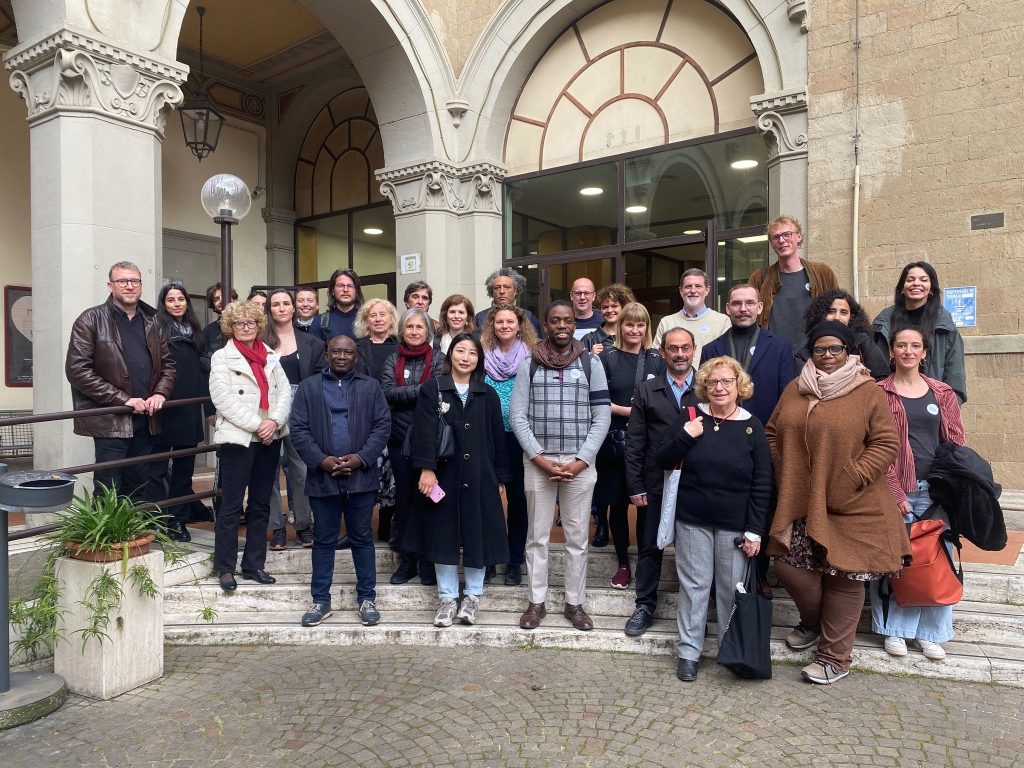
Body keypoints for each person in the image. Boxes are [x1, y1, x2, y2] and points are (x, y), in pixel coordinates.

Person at [766, 320, 909, 685]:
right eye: (820, 349)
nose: (827, 355)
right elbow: (772, 432)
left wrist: (853, 476)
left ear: (849, 352)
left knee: (844, 575)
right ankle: (813, 623)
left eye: (835, 348)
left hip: (853, 501)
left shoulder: (867, 390)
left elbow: (886, 443)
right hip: (802, 500)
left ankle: (834, 657)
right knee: (789, 567)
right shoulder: (796, 388)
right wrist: (785, 470)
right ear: (810, 352)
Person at [655, 355, 772, 681]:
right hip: (692, 519)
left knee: (729, 590)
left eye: (727, 381)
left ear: (739, 386)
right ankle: (688, 653)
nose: (720, 387)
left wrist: (755, 530)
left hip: (735, 525)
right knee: (694, 588)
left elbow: (763, 481)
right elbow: (661, 458)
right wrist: (685, 435)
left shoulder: (752, 425)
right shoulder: (691, 416)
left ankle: (729, 651)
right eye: (713, 382)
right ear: (704, 387)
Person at [511, 301, 611, 631]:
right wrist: (539, 458)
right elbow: (518, 416)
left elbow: (602, 416)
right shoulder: (529, 363)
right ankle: (536, 603)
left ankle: (574, 604)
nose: (562, 325)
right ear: (546, 325)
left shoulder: (590, 362)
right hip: (538, 463)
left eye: (567, 320)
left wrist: (582, 460)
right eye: (555, 320)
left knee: (577, 539)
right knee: (537, 538)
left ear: (574, 325)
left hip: (579, 464)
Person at [870, 327, 967, 661]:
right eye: (901, 345)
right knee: (896, 560)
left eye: (915, 346)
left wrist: (948, 487)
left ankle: (931, 633)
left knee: (937, 559)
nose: (908, 351)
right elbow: (874, 445)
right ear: (892, 351)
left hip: (935, 491)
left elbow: (956, 443)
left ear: (924, 352)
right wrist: (895, 490)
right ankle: (894, 630)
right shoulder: (878, 393)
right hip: (894, 489)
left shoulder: (942, 392)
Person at [404, 333, 511, 627]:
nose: (466, 357)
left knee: (479, 534)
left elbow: (497, 438)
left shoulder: (487, 394)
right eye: (460, 351)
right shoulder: (433, 388)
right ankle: (447, 598)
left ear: (479, 359)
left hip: (480, 474)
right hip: (444, 475)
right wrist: (426, 469)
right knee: (443, 534)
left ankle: (473, 596)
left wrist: (500, 476)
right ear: (450, 354)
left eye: (472, 353)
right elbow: (423, 431)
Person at [290, 335, 391, 628]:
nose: (342, 357)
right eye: (336, 352)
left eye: (348, 352)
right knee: (324, 540)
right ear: (327, 355)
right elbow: (298, 429)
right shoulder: (308, 387)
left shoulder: (370, 387)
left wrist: (361, 458)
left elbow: (382, 426)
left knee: (362, 538)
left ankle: (367, 598)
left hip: (361, 477)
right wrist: (321, 460)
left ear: (356, 357)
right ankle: (320, 600)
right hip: (323, 477)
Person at [66, 261, 175, 499]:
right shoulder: (90, 319)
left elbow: (168, 365)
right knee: (108, 488)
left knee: (138, 486)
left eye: (134, 281)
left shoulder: (153, 321)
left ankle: (134, 525)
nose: (129, 286)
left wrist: (160, 393)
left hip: (146, 418)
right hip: (111, 420)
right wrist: (123, 400)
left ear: (141, 286)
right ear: (110, 286)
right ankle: (108, 527)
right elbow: (77, 371)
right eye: (122, 281)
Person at [208, 300, 292, 592]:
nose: (246, 327)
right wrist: (259, 424)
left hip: (269, 438)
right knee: (231, 505)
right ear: (230, 327)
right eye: (239, 323)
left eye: (251, 322)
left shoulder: (270, 355)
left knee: (260, 504)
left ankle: (254, 564)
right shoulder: (221, 357)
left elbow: (285, 393)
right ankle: (224, 567)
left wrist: (274, 422)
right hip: (239, 439)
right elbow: (223, 399)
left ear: (259, 325)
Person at [623, 327, 700, 637]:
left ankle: (695, 611)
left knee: (694, 550)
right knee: (649, 546)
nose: (679, 354)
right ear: (663, 352)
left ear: (694, 349)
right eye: (673, 348)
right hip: (656, 481)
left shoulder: (708, 388)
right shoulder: (646, 390)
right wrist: (635, 485)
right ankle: (644, 605)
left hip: (697, 484)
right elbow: (635, 442)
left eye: (685, 348)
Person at [593, 302, 665, 589]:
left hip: (648, 445)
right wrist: (630, 411)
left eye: (640, 324)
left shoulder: (656, 359)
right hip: (615, 443)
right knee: (618, 504)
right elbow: (597, 399)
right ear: (620, 326)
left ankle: (645, 562)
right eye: (629, 324)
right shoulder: (607, 358)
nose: (635, 330)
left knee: (646, 505)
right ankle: (623, 563)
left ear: (647, 327)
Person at [380, 308, 447, 585]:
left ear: (428, 332)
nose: (415, 332)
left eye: (420, 327)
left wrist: (409, 394)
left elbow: (439, 390)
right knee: (405, 499)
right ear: (402, 331)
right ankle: (407, 560)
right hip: (399, 439)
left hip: (431, 439)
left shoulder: (440, 358)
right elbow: (387, 393)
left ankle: (428, 560)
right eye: (410, 327)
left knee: (431, 498)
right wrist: (423, 390)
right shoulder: (392, 359)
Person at [262, 288, 327, 550]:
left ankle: (302, 525)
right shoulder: (259, 341)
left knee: (301, 469)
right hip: (267, 408)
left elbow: (321, 379)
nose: (281, 308)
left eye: (286, 303)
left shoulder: (312, 342)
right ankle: (276, 527)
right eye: (275, 304)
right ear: (269, 309)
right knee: (268, 468)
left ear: (293, 308)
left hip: (301, 408)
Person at [481, 304, 539, 586]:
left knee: (518, 501)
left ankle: (515, 560)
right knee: (488, 500)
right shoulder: (481, 354)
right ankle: (490, 558)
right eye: (499, 322)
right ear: (492, 325)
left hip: (520, 437)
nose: (505, 326)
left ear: (519, 325)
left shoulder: (532, 355)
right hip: (488, 437)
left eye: (510, 322)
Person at [148, 282, 208, 542]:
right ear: (163, 304)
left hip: (189, 410)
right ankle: (156, 521)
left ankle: (178, 522)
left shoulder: (196, 331)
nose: (176, 304)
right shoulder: (155, 329)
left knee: (184, 472)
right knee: (155, 471)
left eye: (180, 299)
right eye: (170, 300)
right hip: (164, 408)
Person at [872, 261, 967, 404]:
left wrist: (948, 409)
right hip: (889, 404)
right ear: (902, 287)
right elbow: (873, 367)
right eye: (910, 279)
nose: (916, 283)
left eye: (923, 280)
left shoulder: (945, 326)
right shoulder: (883, 323)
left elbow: (955, 375)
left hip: (933, 405)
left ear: (931, 289)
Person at [701, 284, 794, 426]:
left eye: (750, 303)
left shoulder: (780, 348)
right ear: (728, 308)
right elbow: (704, 395)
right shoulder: (710, 350)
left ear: (760, 307)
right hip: (721, 429)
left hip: (766, 430)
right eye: (737, 303)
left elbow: (787, 398)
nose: (743, 309)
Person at [748, 215, 839, 354]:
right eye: (776, 237)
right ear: (771, 243)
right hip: (774, 354)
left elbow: (838, 310)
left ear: (799, 237)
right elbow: (749, 317)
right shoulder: (759, 278)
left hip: (815, 354)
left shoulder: (822, 273)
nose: (781, 240)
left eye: (787, 234)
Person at [350, 297, 400, 543]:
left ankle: (386, 526)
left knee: (394, 472)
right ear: (365, 321)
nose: (378, 319)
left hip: (398, 417)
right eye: (373, 315)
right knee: (368, 470)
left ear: (392, 320)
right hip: (366, 418)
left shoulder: (401, 347)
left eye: (383, 314)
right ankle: (359, 529)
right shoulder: (356, 348)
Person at [793, 289, 890, 378]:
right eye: (831, 311)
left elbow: (882, 377)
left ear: (851, 317)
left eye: (843, 312)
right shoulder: (806, 352)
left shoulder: (862, 342)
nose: (837, 317)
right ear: (820, 315)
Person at [652, 268, 731, 364]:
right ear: (681, 291)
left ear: (707, 290)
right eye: (688, 286)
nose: (693, 290)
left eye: (698, 286)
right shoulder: (666, 322)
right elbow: (656, 358)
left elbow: (727, 360)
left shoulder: (722, 321)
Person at [474, 267, 543, 336]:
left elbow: (537, 342)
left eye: (507, 287)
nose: (502, 291)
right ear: (492, 292)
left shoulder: (528, 317)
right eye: (497, 288)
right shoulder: (480, 318)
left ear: (515, 291)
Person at [581, 283, 635, 354]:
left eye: (614, 306)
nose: (609, 310)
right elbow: (579, 361)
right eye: (605, 307)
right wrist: (591, 355)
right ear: (600, 311)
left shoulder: (632, 335)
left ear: (623, 308)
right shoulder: (589, 339)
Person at [319, 268, 363, 341]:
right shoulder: (319, 322)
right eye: (340, 285)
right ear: (333, 291)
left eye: (350, 286)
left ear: (357, 291)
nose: (345, 290)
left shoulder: (367, 320)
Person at [202, 282, 237, 354]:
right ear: (213, 305)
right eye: (216, 299)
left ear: (234, 299)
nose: (221, 301)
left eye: (225, 296)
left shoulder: (246, 324)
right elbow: (204, 355)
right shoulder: (208, 330)